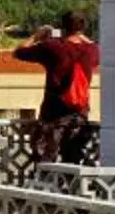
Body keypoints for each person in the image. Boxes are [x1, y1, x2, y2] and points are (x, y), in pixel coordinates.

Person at [13, 12, 100, 165]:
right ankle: (69, 187)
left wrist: (38, 36)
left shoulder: (53, 47)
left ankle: (44, 186)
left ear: (63, 27)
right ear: (83, 28)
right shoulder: (91, 50)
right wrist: (83, 37)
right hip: (79, 115)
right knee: (73, 160)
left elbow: (18, 52)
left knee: (45, 160)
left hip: (53, 115)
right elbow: (93, 45)